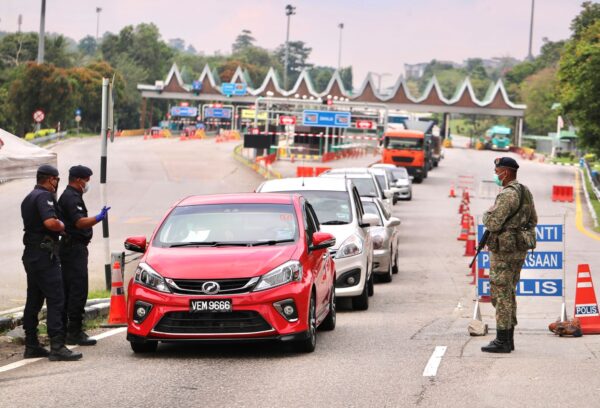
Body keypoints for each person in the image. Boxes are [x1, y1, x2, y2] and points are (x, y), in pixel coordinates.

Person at [21, 164, 82, 361]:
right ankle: (57, 345)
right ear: (50, 179)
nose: (57, 183)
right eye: (56, 180)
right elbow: (50, 223)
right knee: (56, 298)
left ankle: (31, 344)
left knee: (34, 299)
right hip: (44, 255)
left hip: (32, 255)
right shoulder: (44, 196)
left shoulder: (28, 197)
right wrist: (62, 225)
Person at [481, 157, 538, 353]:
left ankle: (502, 340)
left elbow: (493, 223)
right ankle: (508, 339)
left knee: (501, 293)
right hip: (518, 249)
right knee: (509, 291)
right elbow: (533, 219)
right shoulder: (525, 191)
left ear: (505, 172)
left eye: (497, 171)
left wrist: (486, 215)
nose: (496, 175)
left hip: (504, 251)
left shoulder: (507, 195)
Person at [58, 165, 110, 346]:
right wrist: (98, 218)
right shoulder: (71, 197)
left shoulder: (71, 195)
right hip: (73, 250)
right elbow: (79, 222)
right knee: (77, 290)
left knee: (71, 290)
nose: (88, 183)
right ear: (79, 180)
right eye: (87, 180)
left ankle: (68, 330)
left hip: (71, 249)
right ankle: (74, 332)